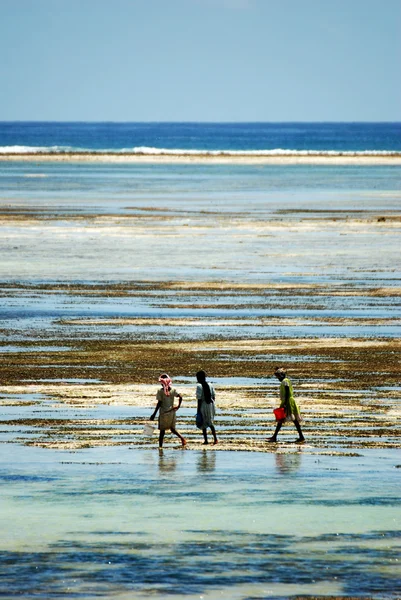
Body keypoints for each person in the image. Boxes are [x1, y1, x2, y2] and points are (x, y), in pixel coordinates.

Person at [267, 367, 305, 443]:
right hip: (288, 401)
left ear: (282, 375)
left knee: (281, 419)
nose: (278, 378)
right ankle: (301, 436)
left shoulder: (285, 381)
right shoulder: (285, 381)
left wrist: (284, 404)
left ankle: (274, 437)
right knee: (293, 420)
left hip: (288, 401)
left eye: (278, 376)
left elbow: (287, 392)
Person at [150, 374, 187, 449]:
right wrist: (178, 406)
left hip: (164, 413)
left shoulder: (160, 391)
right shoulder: (173, 390)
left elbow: (159, 403)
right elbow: (180, 397)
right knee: (172, 429)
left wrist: (154, 414)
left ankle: (160, 448)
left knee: (162, 432)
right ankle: (182, 439)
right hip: (172, 412)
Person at [196, 370, 218, 445]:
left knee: (203, 423)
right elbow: (214, 396)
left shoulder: (199, 386)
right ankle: (215, 439)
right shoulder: (210, 385)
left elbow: (199, 400)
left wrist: (198, 411)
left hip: (203, 405)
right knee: (210, 422)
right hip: (211, 405)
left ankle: (206, 440)